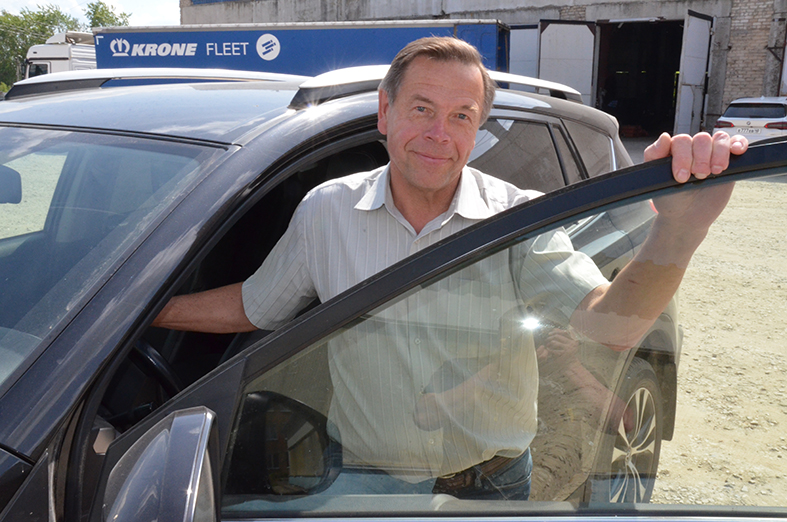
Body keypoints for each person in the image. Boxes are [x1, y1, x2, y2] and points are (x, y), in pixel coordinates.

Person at [153, 37, 748, 499]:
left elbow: (609, 327)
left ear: (478, 127)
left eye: (462, 116)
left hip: (494, 483)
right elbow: (254, 306)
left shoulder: (516, 219)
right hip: (365, 480)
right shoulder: (325, 212)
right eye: (422, 109)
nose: (440, 134)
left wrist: (680, 231)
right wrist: (137, 313)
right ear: (385, 112)